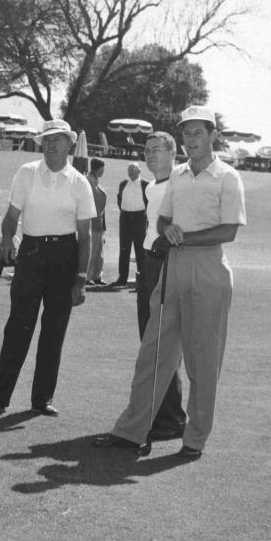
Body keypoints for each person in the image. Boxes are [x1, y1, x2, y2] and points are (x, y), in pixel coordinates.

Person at [94, 106, 245, 459]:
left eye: (198, 133)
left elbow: (229, 231)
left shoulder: (227, 177)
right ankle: (131, 432)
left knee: (202, 361)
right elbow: (162, 221)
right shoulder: (177, 175)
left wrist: (183, 238)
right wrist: (168, 230)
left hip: (209, 272)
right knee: (153, 352)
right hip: (172, 270)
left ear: (212, 136)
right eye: (186, 133)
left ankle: (194, 440)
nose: (191, 140)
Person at [0, 119, 95, 419]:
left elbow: (86, 236)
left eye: (58, 139)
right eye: (47, 139)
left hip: (65, 256)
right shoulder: (26, 173)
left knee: (54, 331)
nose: (52, 144)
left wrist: (81, 278)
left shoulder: (80, 182)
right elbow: (11, 215)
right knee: (18, 327)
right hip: (31, 252)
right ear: (41, 143)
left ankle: (42, 399)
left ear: (69, 144)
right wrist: (6, 239)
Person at [138, 131, 187, 441]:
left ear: (172, 153)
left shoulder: (178, 184)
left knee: (162, 342)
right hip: (147, 262)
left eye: (157, 149)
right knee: (149, 340)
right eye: (147, 149)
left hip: (165, 264)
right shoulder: (153, 187)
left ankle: (171, 419)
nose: (150, 154)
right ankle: (159, 414)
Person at [112, 162, 149, 287]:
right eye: (129, 170)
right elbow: (119, 199)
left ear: (139, 171)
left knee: (140, 249)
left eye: (133, 170)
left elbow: (149, 202)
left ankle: (142, 278)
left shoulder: (145, 184)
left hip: (140, 218)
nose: (131, 172)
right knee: (124, 249)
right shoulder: (123, 184)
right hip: (125, 218)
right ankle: (122, 278)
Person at [85, 158, 107, 286]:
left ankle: (97, 275)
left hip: (99, 222)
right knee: (92, 250)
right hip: (92, 222)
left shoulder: (94, 181)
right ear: (99, 168)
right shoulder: (89, 181)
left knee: (99, 251)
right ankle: (88, 277)